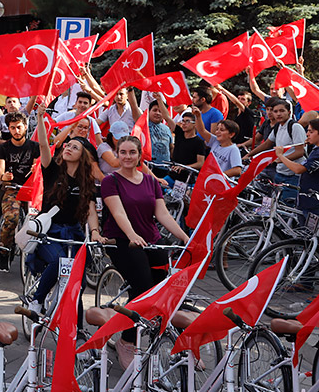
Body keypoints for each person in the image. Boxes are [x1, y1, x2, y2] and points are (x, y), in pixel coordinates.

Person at [101, 135, 189, 369]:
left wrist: (184, 236)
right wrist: (131, 235)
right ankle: (126, 341)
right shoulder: (112, 181)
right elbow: (118, 213)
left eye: (132, 152)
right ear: (117, 155)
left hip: (151, 239)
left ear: (140, 155)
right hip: (122, 240)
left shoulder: (151, 181)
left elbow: (162, 214)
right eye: (123, 152)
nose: (127, 157)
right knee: (142, 289)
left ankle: (163, 338)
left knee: (163, 290)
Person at [28, 107, 102, 313]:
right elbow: (44, 144)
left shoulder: (87, 182)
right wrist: (41, 117)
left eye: (74, 147)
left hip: (74, 234)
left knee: (78, 283)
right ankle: (37, 300)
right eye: (67, 145)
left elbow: (91, 211)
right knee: (60, 262)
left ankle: (76, 330)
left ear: (83, 156)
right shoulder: (51, 170)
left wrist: (95, 231)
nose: (68, 148)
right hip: (48, 233)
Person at [0, 112, 40, 271]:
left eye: (19, 127)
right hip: (11, 188)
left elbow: (37, 167)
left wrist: (35, 169)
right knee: (11, 218)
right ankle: (5, 250)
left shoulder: (34, 147)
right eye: (12, 128)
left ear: (25, 127)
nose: (16, 130)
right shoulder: (3, 148)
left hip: (31, 190)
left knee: (40, 222)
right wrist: (3, 176)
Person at [286, 119, 319, 222]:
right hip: (306, 200)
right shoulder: (315, 150)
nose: (307, 134)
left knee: (311, 234)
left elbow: (298, 169)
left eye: (311, 131)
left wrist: (280, 156)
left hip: (314, 202)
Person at [191, 107, 241, 175]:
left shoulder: (233, 149)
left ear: (231, 134)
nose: (217, 132)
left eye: (222, 130)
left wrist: (218, 176)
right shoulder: (215, 141)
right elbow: (202, 130)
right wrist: (198, 116)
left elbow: (237, 170)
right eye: (217, 129)